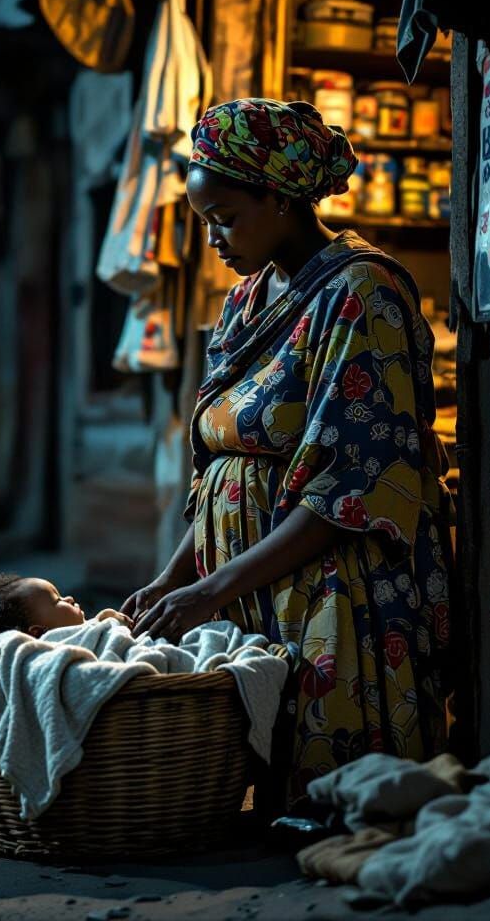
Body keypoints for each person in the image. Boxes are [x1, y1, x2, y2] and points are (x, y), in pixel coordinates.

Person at [121, 98, 453, 800]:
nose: (215, 240)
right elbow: (220, 470)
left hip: (331, 587)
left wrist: (212, 589)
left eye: (226, 219)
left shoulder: (363, 294)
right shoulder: (247, 300)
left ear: (279, 196)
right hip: (250, 583)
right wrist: (176, 578)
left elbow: (352, 485)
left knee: (334, 794)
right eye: (205, 223)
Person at [0, 574, 132, 640]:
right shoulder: (60, 649)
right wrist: (111, 623)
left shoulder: (85, 631)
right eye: (58, 601)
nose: (69, 598)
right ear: (39, 632)